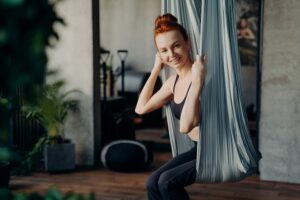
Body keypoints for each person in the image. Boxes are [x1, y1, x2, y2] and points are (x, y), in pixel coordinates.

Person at [135, 13, 207, 200]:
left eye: (176, 46)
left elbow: (185, 127)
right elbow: (140, 109)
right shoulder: (172, 82)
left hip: (216, 150)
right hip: (196, 149)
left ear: (187, 43)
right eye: (164, 50)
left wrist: (198, 82)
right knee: (152, 182)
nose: (171, 55)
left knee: (167, 182)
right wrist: (156, 69)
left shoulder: (202, 74)